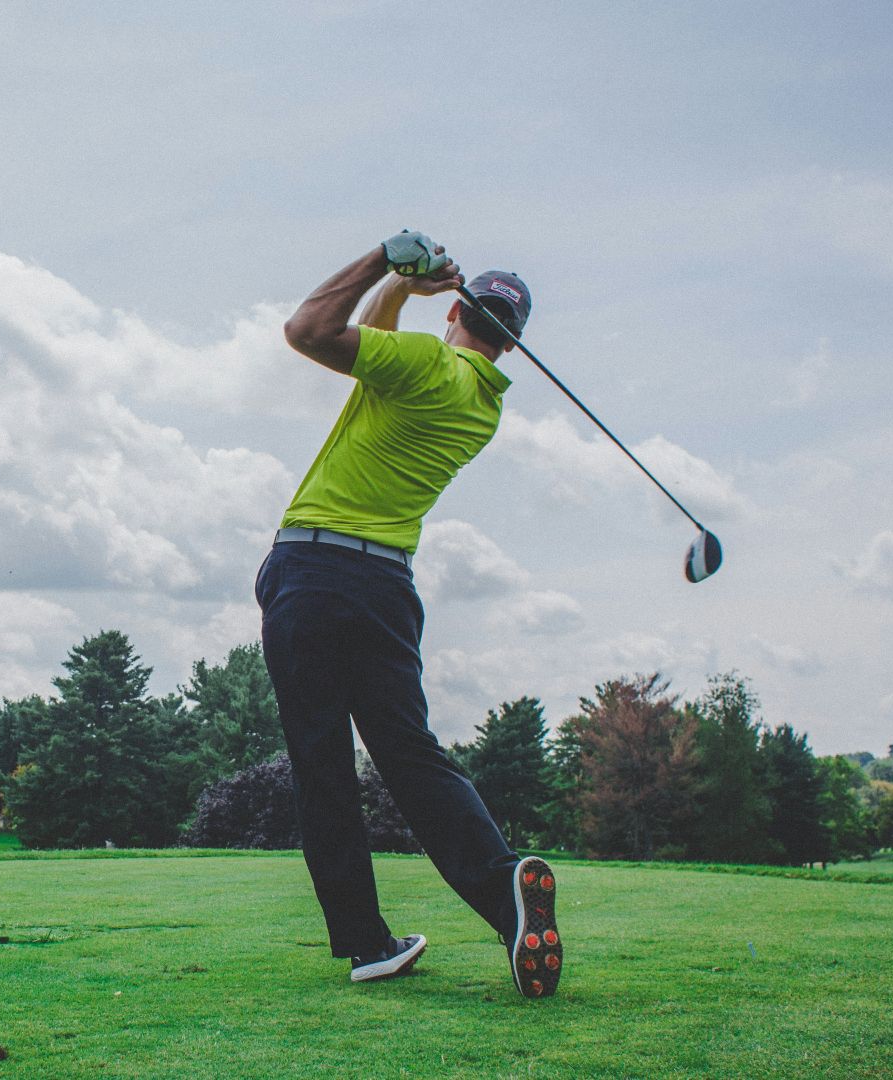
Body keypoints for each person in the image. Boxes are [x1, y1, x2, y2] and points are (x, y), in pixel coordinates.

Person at [256, 229, 562, 998]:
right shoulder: (479, 400)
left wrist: (380, 261)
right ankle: (504, 897)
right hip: (387, 588)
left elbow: (310, 331)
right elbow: (380, 344)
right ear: (512, 346)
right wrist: (404, 290)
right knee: (412, 756)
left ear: (457, 311)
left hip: (315, 572)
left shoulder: (426, 364)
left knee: (323, 765)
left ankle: (366, 942)